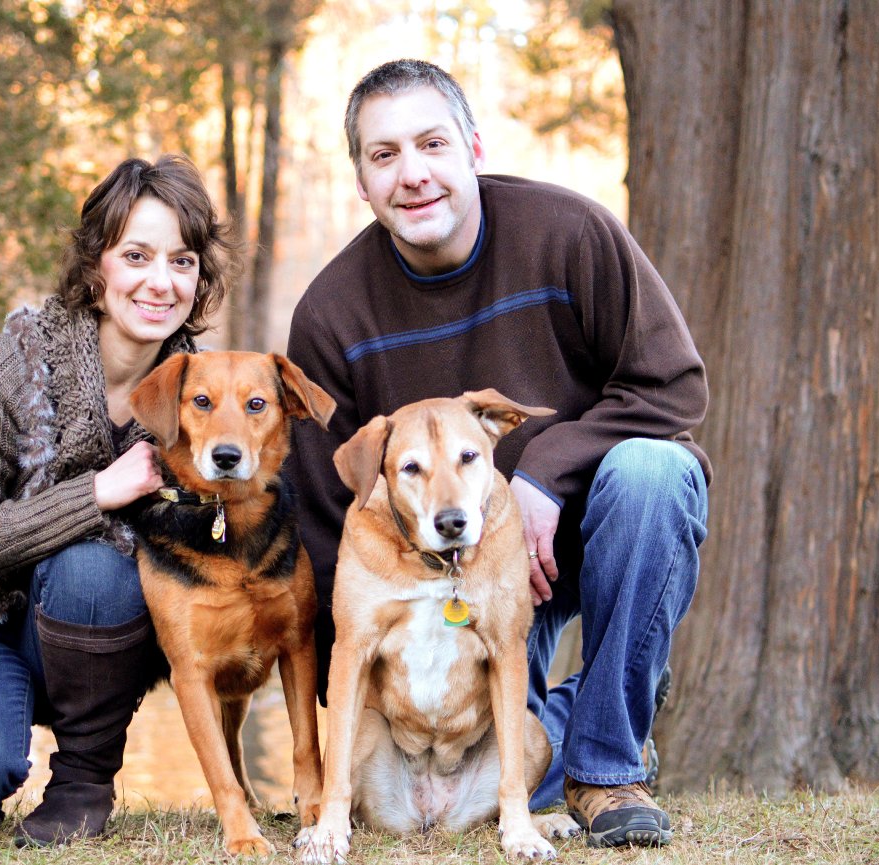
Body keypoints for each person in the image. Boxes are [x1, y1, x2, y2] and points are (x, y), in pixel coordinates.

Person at [287, 59, 711, 849]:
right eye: (384, 155)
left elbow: (673, 389)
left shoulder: (569, 234)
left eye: (431, 144)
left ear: (473, 147)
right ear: (362, 181)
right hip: (443, 572)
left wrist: (541, 477)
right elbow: (320, 523)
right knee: (494, 748)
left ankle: (606, 769)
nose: (413, 174)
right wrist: (347, 742)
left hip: (582, 534)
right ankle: (562, 732)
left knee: (655, 471)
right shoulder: (330, 314)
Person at [0, 155, 236, 846]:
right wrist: (97, 493)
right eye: (136, 256)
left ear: (200, 278)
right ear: (96, 264)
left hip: (103, 634)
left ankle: (82, 784)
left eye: (182, 262)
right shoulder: (4, 368)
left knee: (94, 570)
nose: (161, 282)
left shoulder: (207, 393)